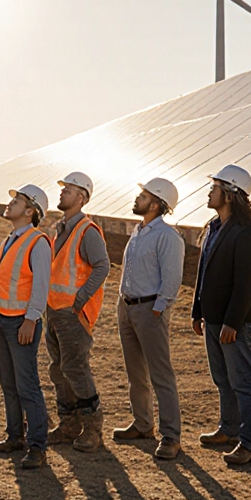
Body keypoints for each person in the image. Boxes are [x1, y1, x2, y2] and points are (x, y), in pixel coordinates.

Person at [191, 165, 251, 466]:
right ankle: (229, 429)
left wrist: (233, 322)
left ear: (230, 194)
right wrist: (197, 311)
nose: (210, 192)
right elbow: (203, 272)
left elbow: (247, 283)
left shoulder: (247, 232)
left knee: (242, 381)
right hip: (212, 317)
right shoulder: (214, 226)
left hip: (232, 322)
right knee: (222, 378)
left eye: (215, 187)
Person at [112, 178, 186, 460]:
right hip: (128, 307)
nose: (137, 199)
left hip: (149, 309)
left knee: (160, 374)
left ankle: (171, 436)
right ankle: (143, 424)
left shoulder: (167, 236)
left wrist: (160, 307)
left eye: (143, 196)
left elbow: (172, 276)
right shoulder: (138, 231)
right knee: (135, 373)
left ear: (156, 204)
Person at [0, 184, 52, 470]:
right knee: (8, 383)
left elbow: (41, 285)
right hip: (2, 319)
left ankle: (37, 446)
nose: (10, 203)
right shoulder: (10, 240)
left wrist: (31, 318)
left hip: (21, 322)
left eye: (18, 200)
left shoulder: (37, 242)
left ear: (30, 211)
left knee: (27, 385)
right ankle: (15, 436)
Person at [44, 171, 111, 453]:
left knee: (76, 369)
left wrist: (81, 299)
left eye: (69, 190)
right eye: (63, 189)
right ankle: (68, 425)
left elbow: (102, 266)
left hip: (73, 313)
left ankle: (92, 429)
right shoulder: (60, 229)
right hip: (54, 311)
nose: (63, 193)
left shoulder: (87, 230)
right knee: (59, 370)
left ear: (82, 198)